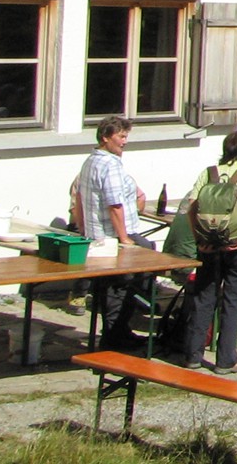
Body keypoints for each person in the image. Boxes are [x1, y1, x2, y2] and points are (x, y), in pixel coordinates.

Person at [179, 130, 237, 373]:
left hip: (208, 244)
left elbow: (190, 209)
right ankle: (226, 359)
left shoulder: (208, 173)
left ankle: (193, 354)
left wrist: (199, 240)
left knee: (203, 297)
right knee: (234, 301)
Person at [75, 115, 155, 350]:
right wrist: (124, 238)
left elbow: (79, 198)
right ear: (105, 137)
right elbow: (114, 204)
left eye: (126, 136)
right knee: (122, 283)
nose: (124, 141)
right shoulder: (108, 164)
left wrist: (82, 228)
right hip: (112, 236)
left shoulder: (90, 161)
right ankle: (114, 337)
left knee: (117, 284)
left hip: (96, 234)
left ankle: (120, 331)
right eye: (121, 136)